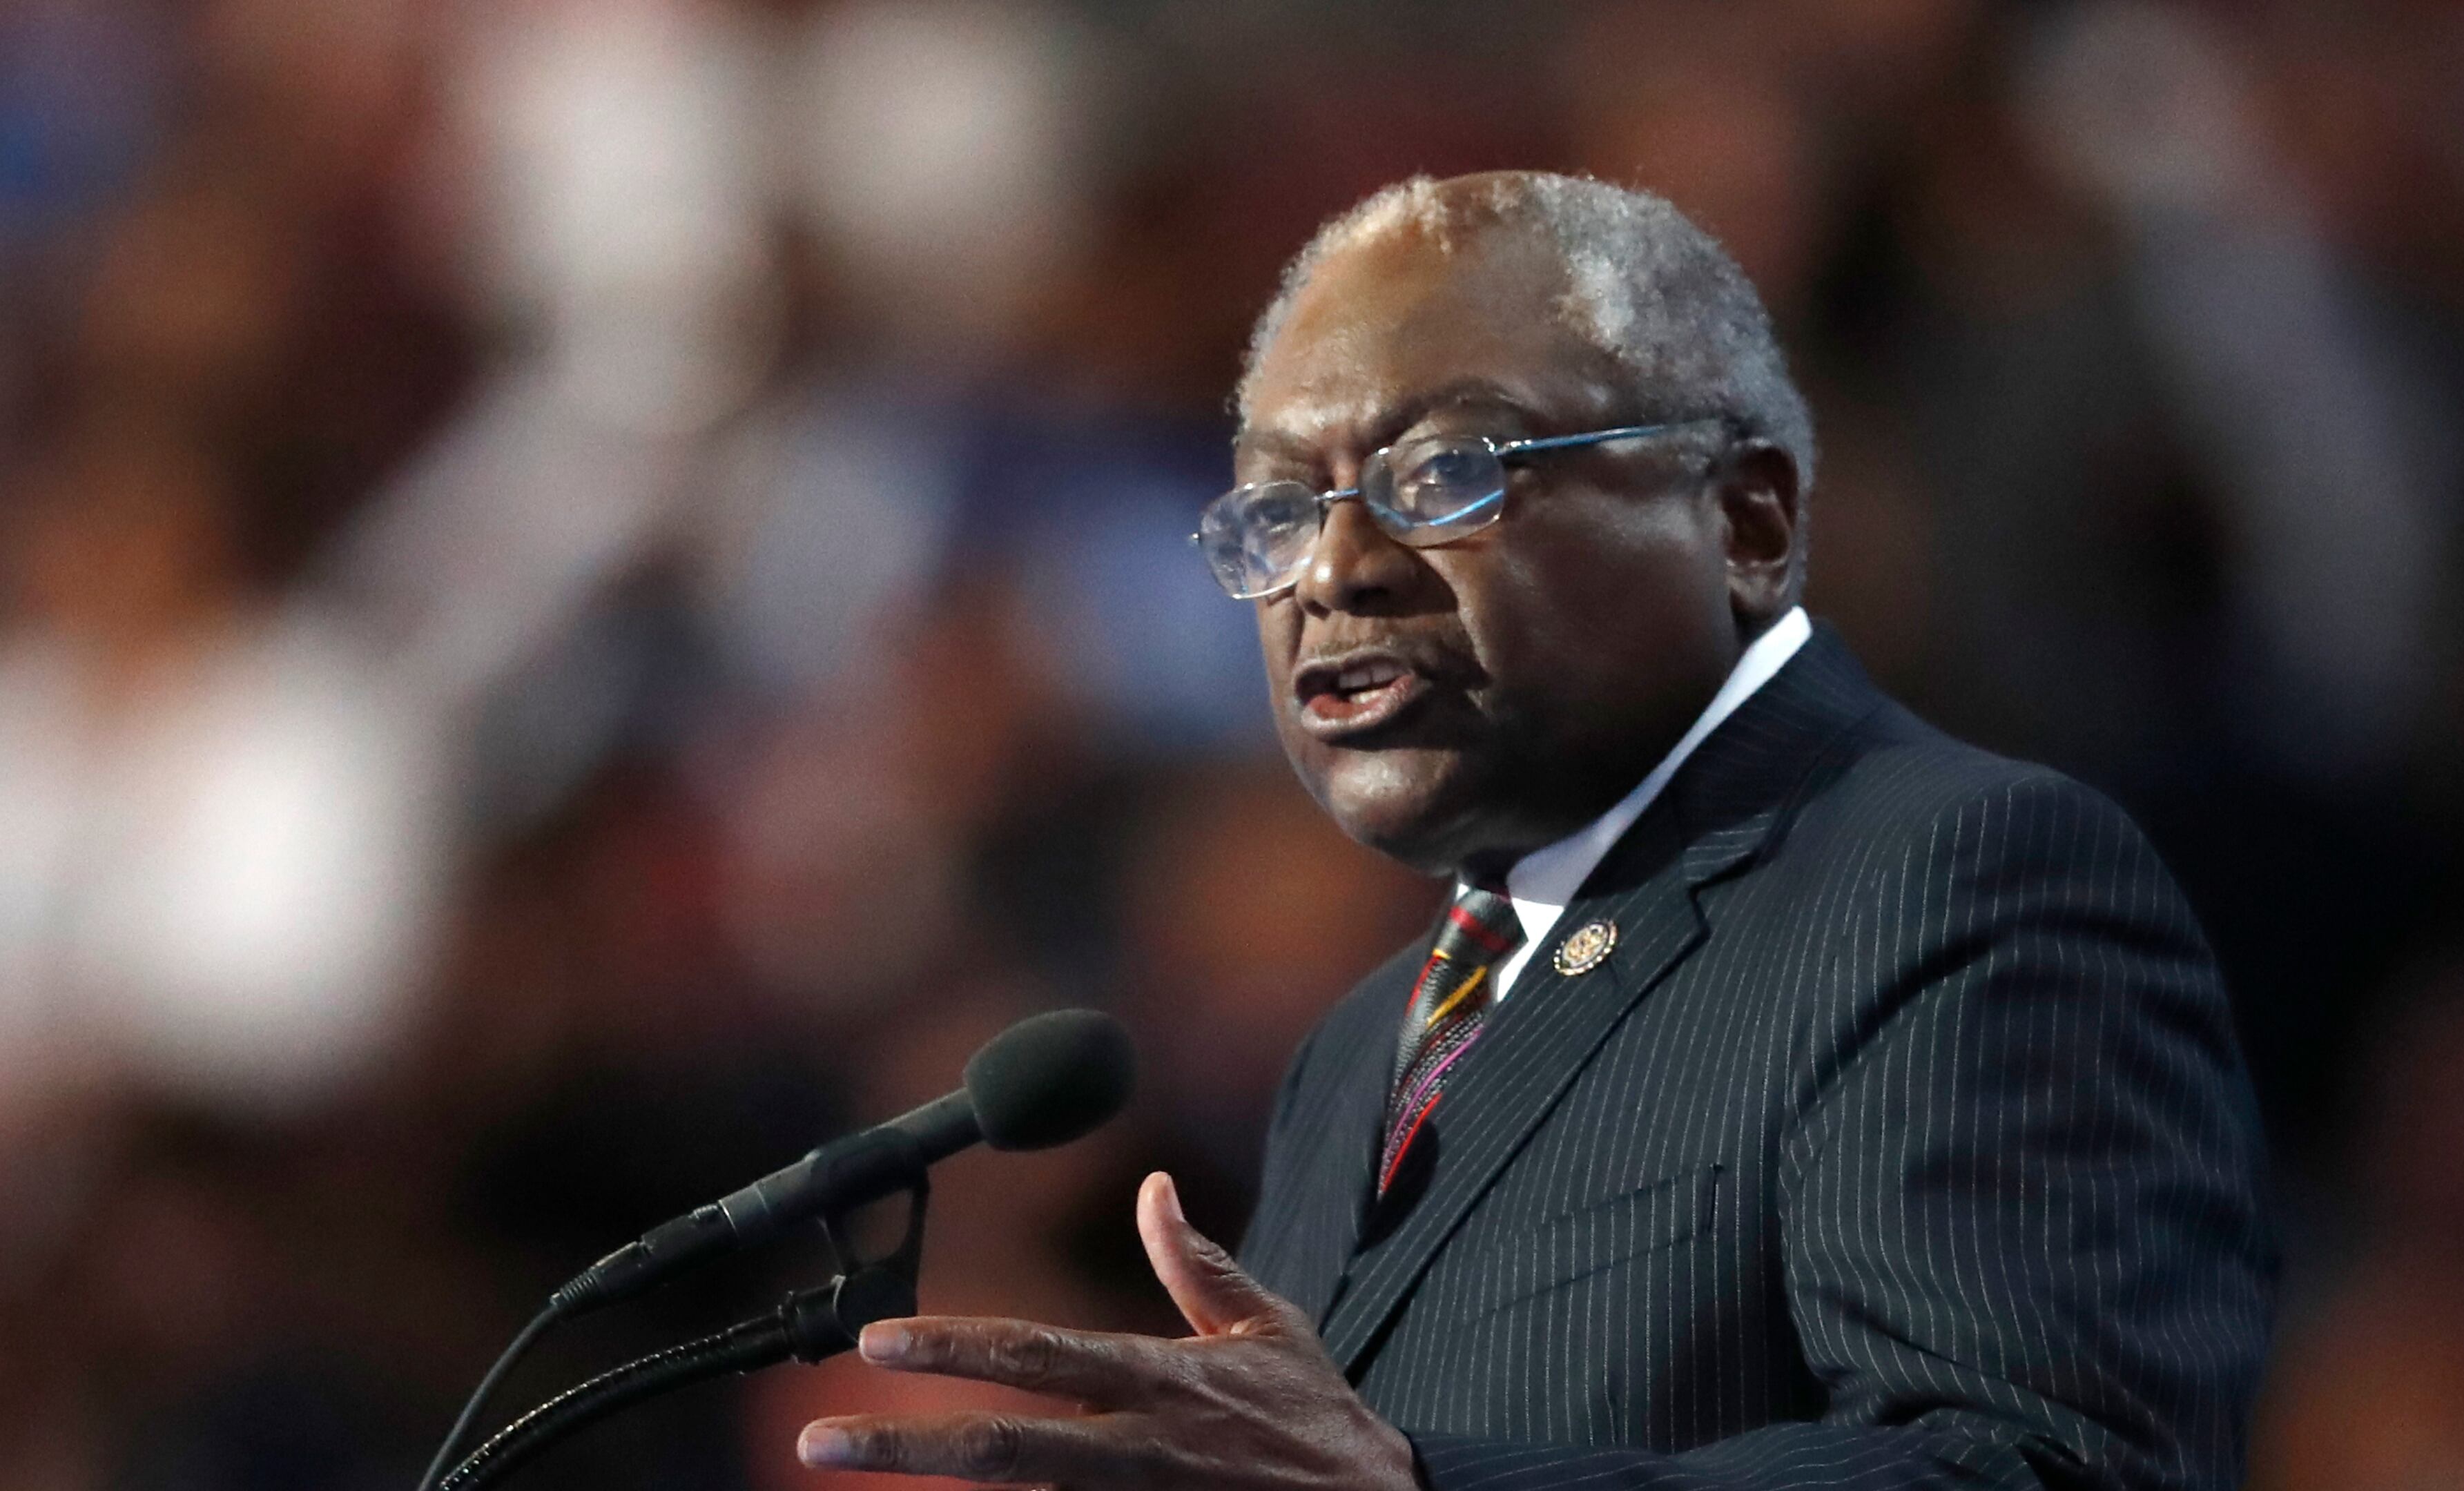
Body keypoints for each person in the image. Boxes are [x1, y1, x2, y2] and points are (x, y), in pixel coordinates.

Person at [793, 172, 2275, 1490]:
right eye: (1280, 510)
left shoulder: (1958, 879)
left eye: (1447, 473)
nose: (1337, 570)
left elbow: (2042, 1466)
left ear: (1746, 520)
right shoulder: (1357, 1052)